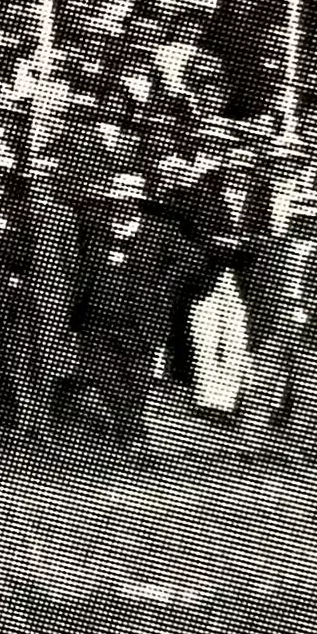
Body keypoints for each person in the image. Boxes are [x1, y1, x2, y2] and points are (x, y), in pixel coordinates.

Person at [71, 171, 200, 456]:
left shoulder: (159, 229)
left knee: (136, 382)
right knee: (105, 377)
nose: (122, 203)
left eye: (129, 198)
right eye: (117, 198)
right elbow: (81, 263)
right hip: (97, 318)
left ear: (139, 201)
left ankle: (130, 434)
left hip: (139, 321)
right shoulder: (95, 226)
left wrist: (162, 284)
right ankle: (132, 434)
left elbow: (193, 259)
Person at [237, 185, 317, 459]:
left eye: (311, 217)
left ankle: (302, 449)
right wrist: (255, 333)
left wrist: (314, 306)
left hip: (313, 328)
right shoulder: (272, 249)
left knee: (307, 389)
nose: (305, 222)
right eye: (300, 217)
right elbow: (256, 293)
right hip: (274, 326)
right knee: (259, 386)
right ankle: (251, 445)